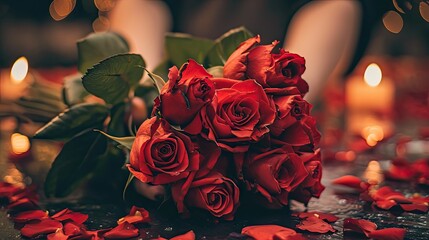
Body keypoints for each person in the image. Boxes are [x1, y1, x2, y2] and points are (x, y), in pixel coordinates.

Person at [108, 0, 386, 200]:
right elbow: (140, 5)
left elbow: (338, 8)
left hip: (291, 57)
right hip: (169, 63)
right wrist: (151, 104)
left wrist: (275, 121)